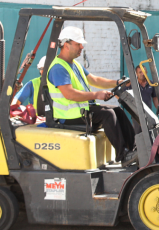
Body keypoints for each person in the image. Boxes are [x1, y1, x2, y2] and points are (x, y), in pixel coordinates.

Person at [47, 26, 136, 162]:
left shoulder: (74, 64)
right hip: (69, 115)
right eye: (78, 44)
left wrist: (118, 82)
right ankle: (123, 155)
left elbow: (94, 80)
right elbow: (69, 94)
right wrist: (96, 95)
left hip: (81, 110)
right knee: (108, 115)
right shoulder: (59, 68)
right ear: (66, 45)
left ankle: (134, 148)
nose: (81, 47)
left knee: (117, 110)